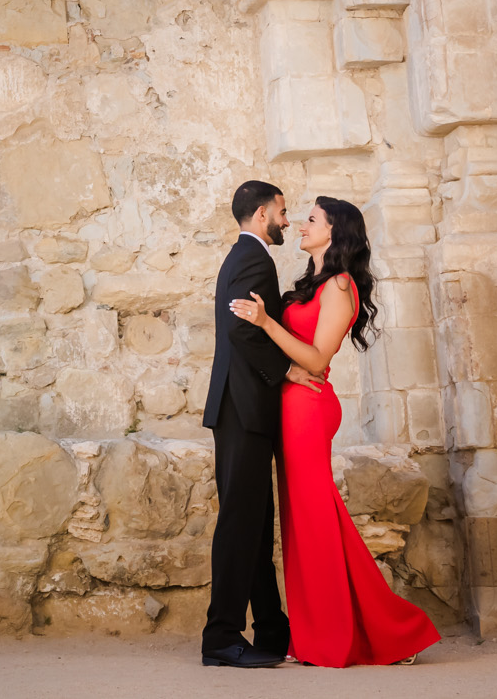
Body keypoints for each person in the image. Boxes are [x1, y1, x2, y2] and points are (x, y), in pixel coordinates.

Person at [229, 195, 441, 667]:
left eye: (311, 220)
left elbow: (318, 359)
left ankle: (369, 635)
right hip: (290, 408)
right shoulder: (311, 283)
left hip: (308, 408)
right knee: (307, 527)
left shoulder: (341, 286)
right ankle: (320, 633)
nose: (301, 225)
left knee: (315, 525)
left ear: (335, 231)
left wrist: (265, 321)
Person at [199, 179, 318, 668]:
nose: (288, 221)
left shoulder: (246, 256)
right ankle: (220, 637)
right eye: (284, 212)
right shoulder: (253, 257)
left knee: (253, 523)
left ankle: (271, 629)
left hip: (243, 410)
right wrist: (287, 369)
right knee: (239, 526)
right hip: (243, 408)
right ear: (262, 212)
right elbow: (238, 328)